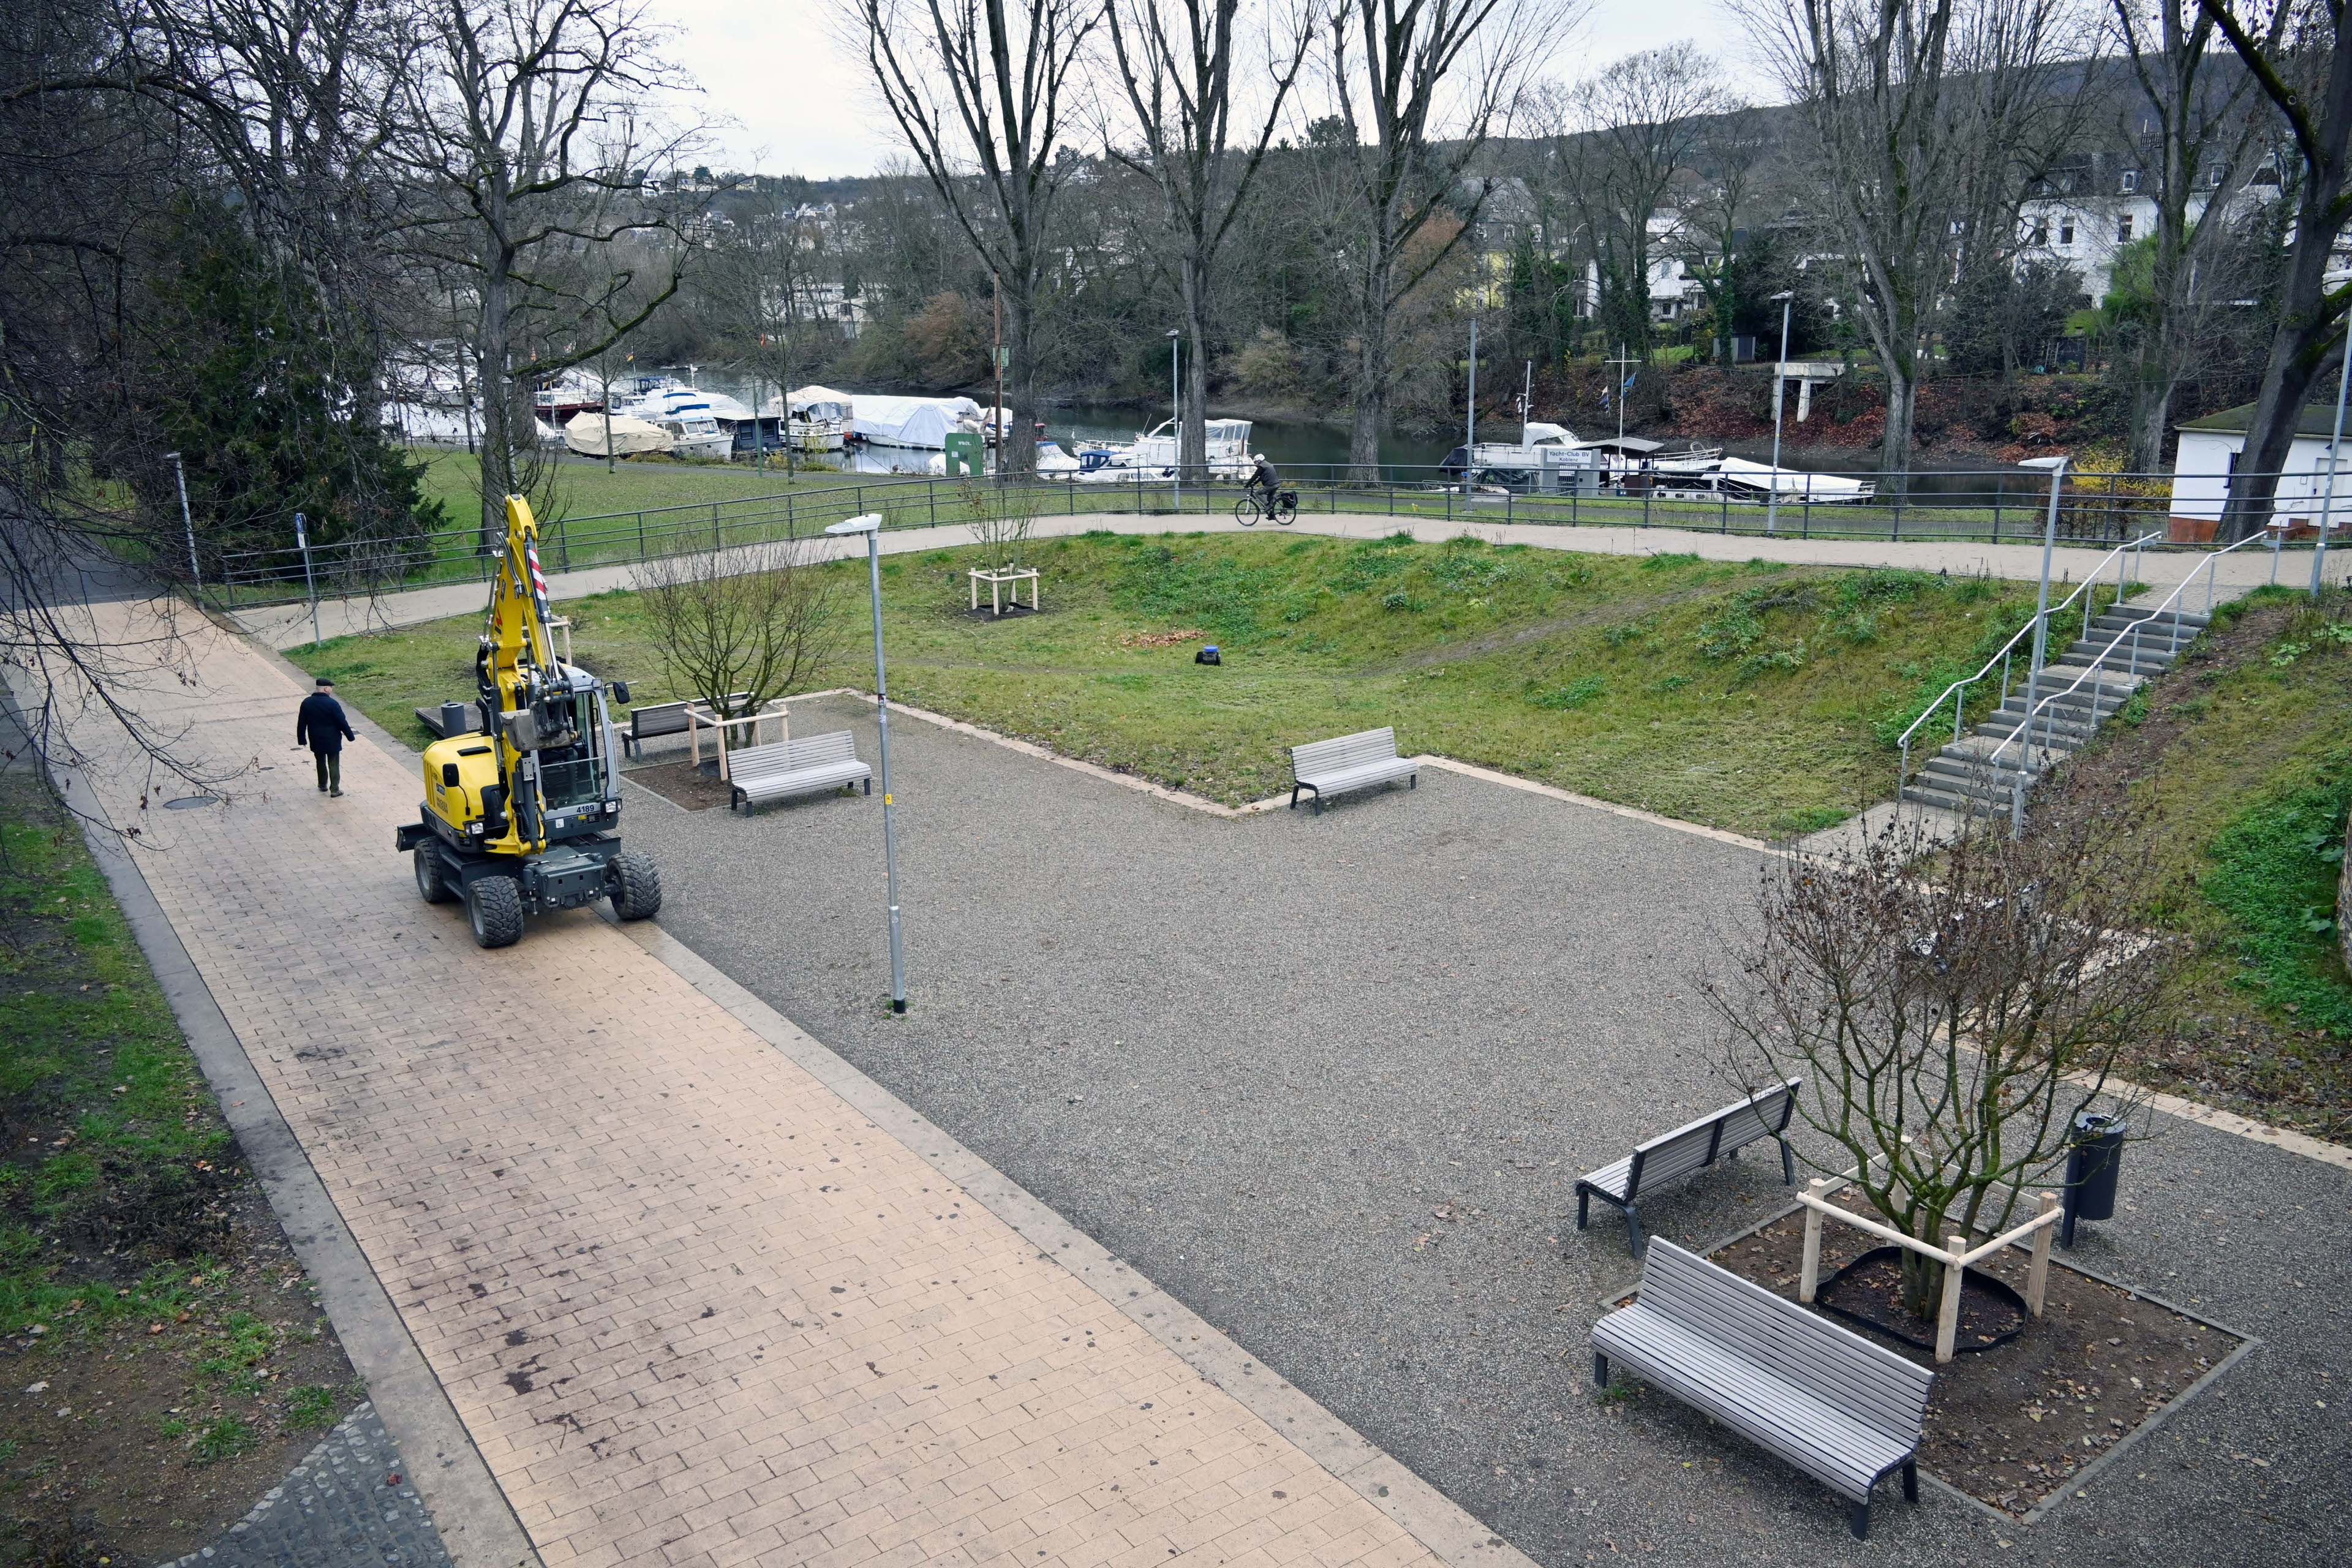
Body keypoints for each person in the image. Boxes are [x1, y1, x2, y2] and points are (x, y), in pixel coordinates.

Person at [295, 677, 356, 797]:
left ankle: (322, 784)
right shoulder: (332, 704)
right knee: (333, 763)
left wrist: (302, 739)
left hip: (315, 738)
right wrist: (350, 736)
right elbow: (342, 722)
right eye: (331, 688)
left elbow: (301, 723)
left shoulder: (307, 703)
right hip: (332, 739)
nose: (332, 690)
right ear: (327, 689)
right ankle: (334, 789)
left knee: (320, 761)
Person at [1246, 451, 1279, 515]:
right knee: (1270, 500)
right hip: (1276, 484)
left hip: (1270, 485)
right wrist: (1254, 483)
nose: (1256, 464)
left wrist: (1247, 484)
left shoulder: (1261, 466)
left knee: (1257, 493)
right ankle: (1271, 515)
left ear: (1259, 461)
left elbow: (1255, 476)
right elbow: (1261, 477)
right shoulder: (1267, 464)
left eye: (1256, 462)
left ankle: (1267, 505)